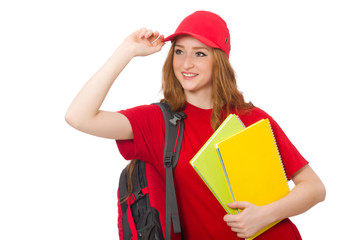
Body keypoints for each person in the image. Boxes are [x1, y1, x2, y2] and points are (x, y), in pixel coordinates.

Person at [65, 10, 326, 239]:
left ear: (219, 62)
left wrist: (265, 215)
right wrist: (126, 51)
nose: (186, 64)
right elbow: (79, 117)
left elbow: (314, 188)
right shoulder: (156, 121)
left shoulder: (251, 118)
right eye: (179, 51)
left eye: (199, 53)